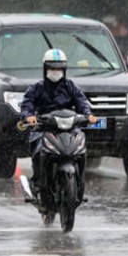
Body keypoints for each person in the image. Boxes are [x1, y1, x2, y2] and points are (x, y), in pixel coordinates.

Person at [20, 49, 96, 194]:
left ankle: (80, 184)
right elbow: (27, 104)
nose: (55, 71)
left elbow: (82, 102)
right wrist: (28, 115)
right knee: (37, 149)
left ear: (64, 69)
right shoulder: (36, 88)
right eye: (52, 68)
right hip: (43, 127)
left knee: (81, 149)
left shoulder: (71, 86)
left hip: (69, 128)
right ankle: (37, 182)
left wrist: (88, 115)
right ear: (45, 68)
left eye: (59, 68)